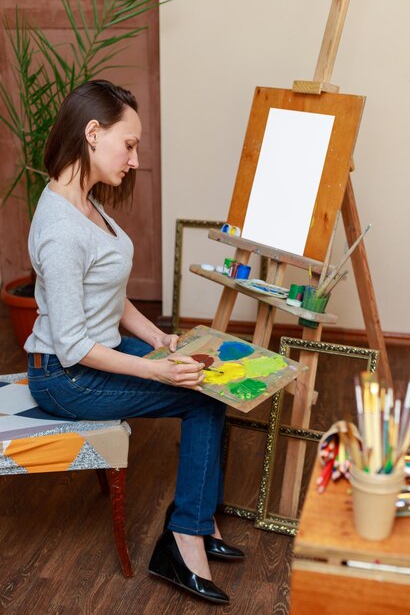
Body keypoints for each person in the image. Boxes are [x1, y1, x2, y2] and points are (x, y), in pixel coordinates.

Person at [24, 80, 244, 604]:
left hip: (96, 357)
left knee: (211, 380)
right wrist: (157, 370)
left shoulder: (87, 204)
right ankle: (184, 536)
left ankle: (194, 520)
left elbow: (108, 295)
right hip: (64, 375)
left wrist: (161, 341)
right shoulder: (60, 227)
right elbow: (73, 344)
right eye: (130, 144)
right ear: (93, 134)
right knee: (200, 396)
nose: (136, 158)